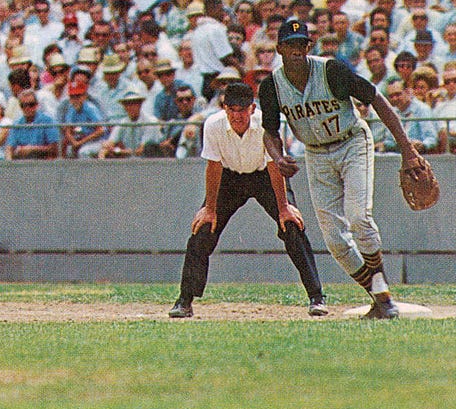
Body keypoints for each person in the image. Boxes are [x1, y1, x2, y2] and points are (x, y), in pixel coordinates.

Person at [260, 18, 423, 320]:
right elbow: (269, 131)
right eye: (290, 44)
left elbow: (376, 98)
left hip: (351, 142)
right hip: (316, 154)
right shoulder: (272, 85)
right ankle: (379, 295)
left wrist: (407, 149)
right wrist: (278, 156)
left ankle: (383, 297)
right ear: (280, 48)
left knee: (359, 217)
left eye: (302, 44)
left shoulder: (330, 70)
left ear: (308, 47)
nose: (297, 49)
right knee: (335, 241)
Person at [168, 81, 326, 319]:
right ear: (224, 108)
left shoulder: (267, 124)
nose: (237, 115)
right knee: (203, 229)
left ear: (252, 109)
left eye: (242, 110)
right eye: (232, 109)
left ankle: (316, 296)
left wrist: (284, 208)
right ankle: (184, 300)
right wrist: (210, 209)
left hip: (265, 176)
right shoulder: (213, 125)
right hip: (229, 179)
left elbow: (274, 166)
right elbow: (213, 167)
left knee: (292, 225)